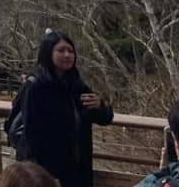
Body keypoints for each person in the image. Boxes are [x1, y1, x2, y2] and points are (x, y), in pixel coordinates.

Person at [20, 30, 113, 187]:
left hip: (78, 168)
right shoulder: (36, 86)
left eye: (70, 51)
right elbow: (30, 134)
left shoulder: (77, 85)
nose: (67, 55)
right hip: (47, 171)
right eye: (61, 50)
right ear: (48, 53)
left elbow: (105, 118)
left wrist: (100, 106)